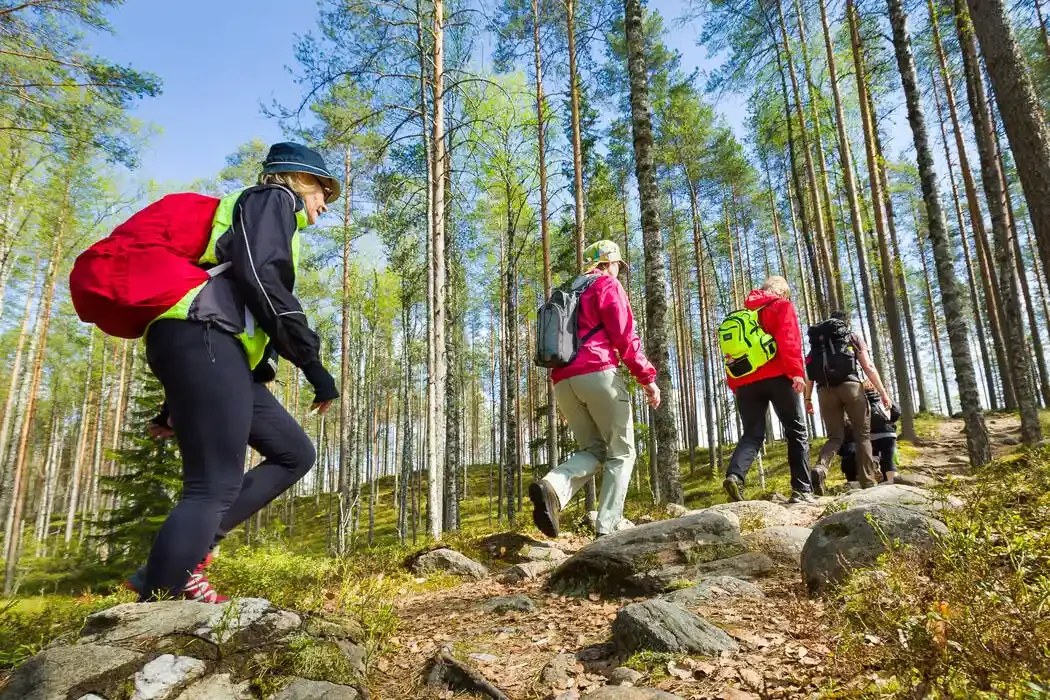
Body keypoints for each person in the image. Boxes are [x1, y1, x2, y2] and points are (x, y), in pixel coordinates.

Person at [133, 142, 341, 602]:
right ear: (297, 179)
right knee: (212, 486)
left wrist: (173, 408)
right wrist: (311, 364)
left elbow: (233, 293)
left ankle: (178, 558)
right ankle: (160, 605)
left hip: (215, 350)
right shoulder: (272, 201)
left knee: (293, 453)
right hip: (205, 340)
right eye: (322, 189)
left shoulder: (263, 213)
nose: (325, 202)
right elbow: (262, 280)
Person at [529, 240, 661, 538]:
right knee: (621, 452)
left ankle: (552, 485)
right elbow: (625, 337)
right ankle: (608, 525)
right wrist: (647, 378)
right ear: (607, 263)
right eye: (617, 266)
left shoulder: (568, 291)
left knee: (594, 449)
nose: (619, 272)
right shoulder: (606, 286)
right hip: (598, 373)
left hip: (563, 380)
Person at [721, 276, 813, 504]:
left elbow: (731, 354)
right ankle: (801, 490)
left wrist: (734, 384)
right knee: (796, 431)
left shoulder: (742, 314)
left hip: (745, 382)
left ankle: (735, 475)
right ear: (781, 292)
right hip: (778, 377)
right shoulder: (782, 306)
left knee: (752, 433)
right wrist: (796, 372)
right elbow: (789, 339)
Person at [806, 311, 892, 494]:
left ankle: (820, 468)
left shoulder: (817, 343)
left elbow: (810, 375)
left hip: (824, 391)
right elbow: (868, 366)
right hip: (851, 387)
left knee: (835, 437)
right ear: (846, 323)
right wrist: (883, 392)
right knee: (862, 435)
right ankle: (867, 481)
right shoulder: (851, 336)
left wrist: (807, 399)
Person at [839, 386, 900, 484]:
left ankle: (874, 470)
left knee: (872, 456)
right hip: (888, 433)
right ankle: (893, 483)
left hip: (870, 436)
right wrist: (890, 422)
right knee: (889, 459)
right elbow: (897, 412)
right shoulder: (883, 398)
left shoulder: (860, 401)